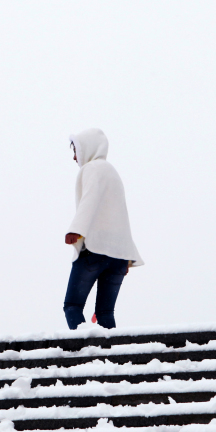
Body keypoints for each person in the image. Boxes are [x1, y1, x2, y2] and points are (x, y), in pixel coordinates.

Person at [63, 128, 143, 330]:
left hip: (94, 251)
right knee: (105, 313)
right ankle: (110, 355)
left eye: (76, 150)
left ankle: (86, 352)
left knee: (72, 306)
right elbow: (120, 216)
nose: (74, 157)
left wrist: (76, 229)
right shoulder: (112, 172)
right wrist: (127, 255)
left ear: (87, 148)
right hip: (118, 257)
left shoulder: (92, 169)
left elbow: (89, 200)